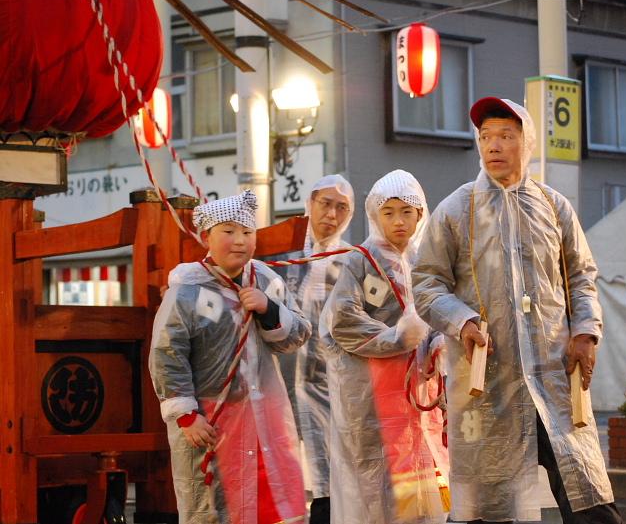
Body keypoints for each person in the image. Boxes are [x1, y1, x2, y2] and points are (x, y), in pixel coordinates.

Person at [412, 97, 621, 524]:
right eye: (486, 136)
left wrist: (585, 331)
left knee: (587, 495)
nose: (494, 145)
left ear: (525, 143)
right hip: (489, 383)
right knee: (486, 505)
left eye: (506, 135)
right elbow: (426, 283)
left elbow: (581, 275)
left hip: (552, 377)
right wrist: (463, 320)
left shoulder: (553, 206)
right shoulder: (457, 209)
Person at [149, 190, 311, 523]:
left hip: (266, 414)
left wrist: (269, 310)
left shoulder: (267, 280)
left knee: (272, 502)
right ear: (206, 237)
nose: (239, 241)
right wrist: (185, 415)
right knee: (213, 506)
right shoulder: (188, 288)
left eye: (247, 232)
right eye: (228, 231)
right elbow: (167, 352)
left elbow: (298, 334)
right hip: (209, 419)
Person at [320, 169, 449, 524]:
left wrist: (439, 343)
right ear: (374, 215)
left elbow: (442, 310)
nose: (398, 221)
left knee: (421, 474)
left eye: (406, 212)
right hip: (371, 394)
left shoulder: (426, 261)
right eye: (388, 212)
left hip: (418, 392)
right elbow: (343, 321)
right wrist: (397, 338)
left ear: (421, 214)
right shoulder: (360, 259)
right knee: (376, 479)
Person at [272, 174, 356, 524]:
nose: (331, 215)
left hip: (331, 390)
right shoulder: (280, 254)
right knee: (281, 476)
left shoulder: (352, 262)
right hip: (277, 386)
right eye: (325, 204)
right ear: (309, 204)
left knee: (328, 482)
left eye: (341, 208)